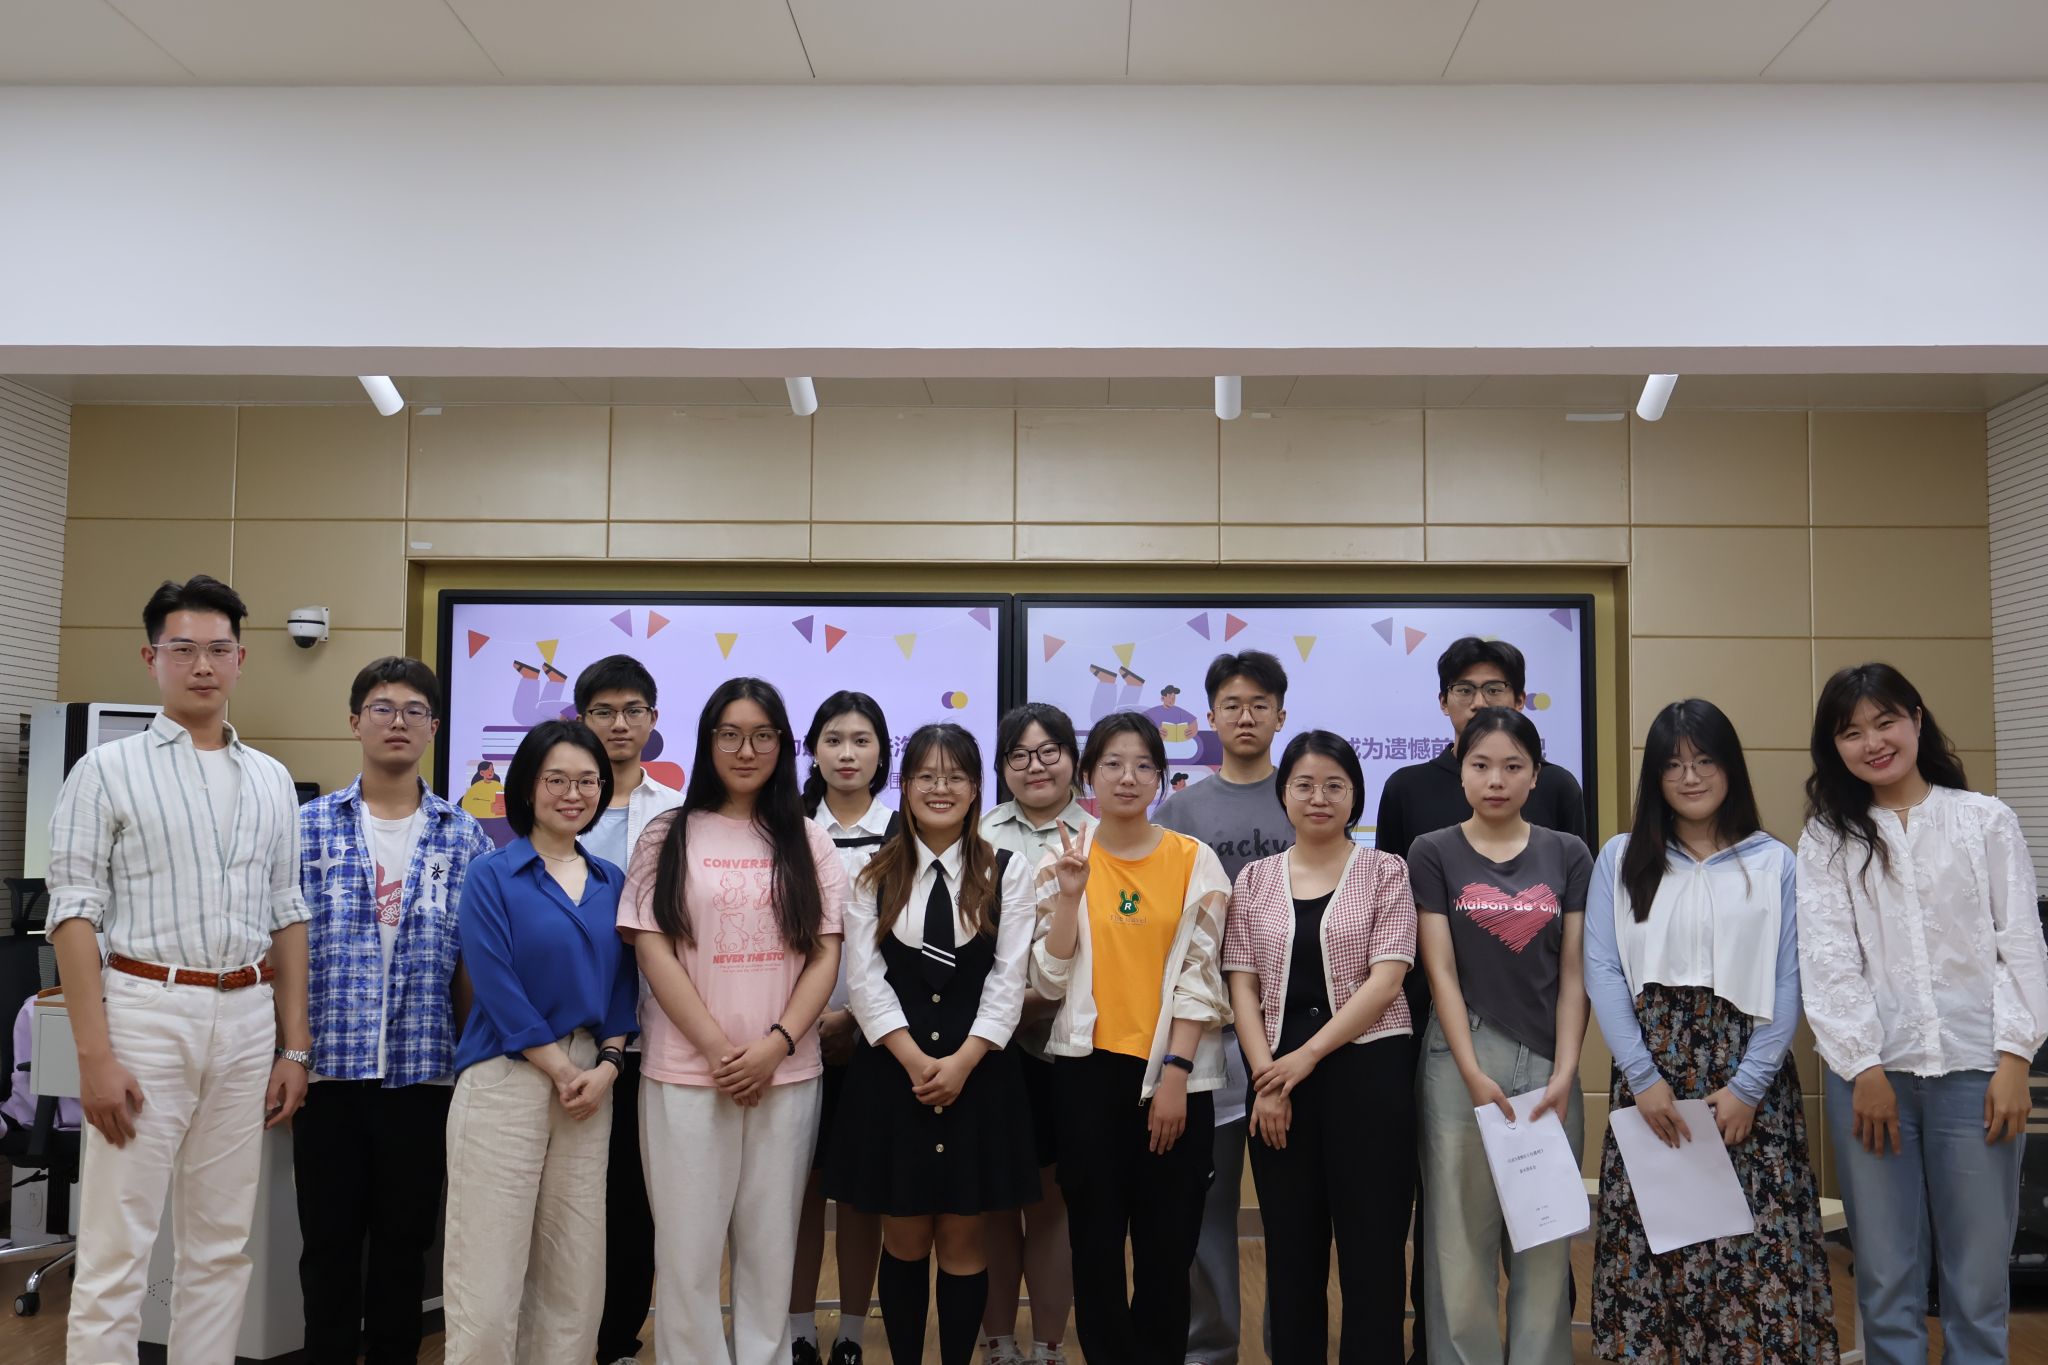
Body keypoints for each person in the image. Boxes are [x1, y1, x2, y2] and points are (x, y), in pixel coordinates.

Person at [47, 574, 313, 1365]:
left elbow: (287, 913)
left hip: (246, 1015)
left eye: (219, 649)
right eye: (184, 648)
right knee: (116, 1249)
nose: (203, 664)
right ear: (151, 657)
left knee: (222, 1245)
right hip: (145, 1009)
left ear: (240, 659)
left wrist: (293, 1045)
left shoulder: (270, 777)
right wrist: (95, 1055)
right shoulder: (106, 769)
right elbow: (72, 911)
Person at [1797, 663, 2048, 1365]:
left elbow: (2022, 946)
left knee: (1978, 1280)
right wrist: (1864, 1068)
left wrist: (2014, 1061)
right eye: (1851, 732)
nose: (1873, 742)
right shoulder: (1828, 838)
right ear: (1834, 747)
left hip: (1978, 1072)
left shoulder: (1984, 819)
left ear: (1915, 718)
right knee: (1885, 1277)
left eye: (1885, 722)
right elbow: (1828, 960)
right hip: (1872, 1081)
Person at [1584, 699, 1838, 1363]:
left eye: (1704, 761)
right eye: (1673, 765)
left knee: (1752, 1250)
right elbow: (1603, 970)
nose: (1690, 777)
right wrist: (1643, 1079)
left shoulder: (1775, 862)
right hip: (1652, 1078)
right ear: (1654, 776)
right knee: (1658, 1243)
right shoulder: (1621, 857)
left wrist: (1749, 1087)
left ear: (1730, 767)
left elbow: (1789, 979)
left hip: (1750, 1078)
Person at [1374, 635, 1590, 1361]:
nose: (1496, 779)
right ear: (1460, 771)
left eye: (1513, 766)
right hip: (1458, 1055)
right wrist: (1468, 1068)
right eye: (1481, 766)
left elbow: (1574, 972)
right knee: (1457, 1243)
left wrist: (1566, 1071)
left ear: (1536, 775)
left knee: (1544, 1237)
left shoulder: (1568, 852)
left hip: (1551, 1062)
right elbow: (1438, 968)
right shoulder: (1432, 849)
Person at [620, 678, 848, 1365]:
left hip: (786, 1073)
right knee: (686, 1251)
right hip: (686, 1072)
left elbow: (825, 953)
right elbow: (651, 947)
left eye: (762, 735)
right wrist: (721, 1049)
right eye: (730, 734)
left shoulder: (808, 839)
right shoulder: (667, 833)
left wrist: (776, 1045)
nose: (746, 750)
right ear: (707, 741)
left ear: (783, 745)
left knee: (771, 1246)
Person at [295, 656, 495, 1365]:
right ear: (355, 722)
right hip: (328, 1072)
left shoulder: (463, 835)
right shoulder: (308, 826)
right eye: (383, 707)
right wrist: (288, 1051)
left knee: (405, 1246)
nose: (398, 721)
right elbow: (281, 947)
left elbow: (472, 962)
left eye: (415, 710)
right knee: (327, 1244)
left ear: (434, 728)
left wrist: (474, 1064)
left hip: (424, 1074)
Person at [827, 723, 1042, 1365]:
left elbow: (1008, 981)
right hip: (894, 1078)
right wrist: (919, 1062)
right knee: (903, 1236)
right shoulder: (871, 876)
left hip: (981, 1078)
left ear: (976, 788)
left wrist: (963, 1063)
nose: (940, 788)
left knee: (964, 1238)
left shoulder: (1008, 871)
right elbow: (865, 984)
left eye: (955, 776)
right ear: (906, 786)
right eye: (926, 776)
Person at [1032, 711, 1232, 1365]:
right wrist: (1070, 896)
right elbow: (1048, 976)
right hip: (1087, 1075)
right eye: (1113, 764)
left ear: (1160, 778)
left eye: (1144, 765)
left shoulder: (1194, 860)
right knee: (1093, 1246)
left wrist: (1175, 1075)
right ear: (1089, 775)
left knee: (1167, 1248)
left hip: (1174, 1075)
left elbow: (1202, 978)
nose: (1128, 777)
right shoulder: (1063, 857)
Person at [440, 720, 634, 1364]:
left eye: (587, 781)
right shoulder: (492, 874)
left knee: (574, 1271)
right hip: (508, 1075)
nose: (573, 794)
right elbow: (495, 984)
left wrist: (608, 1065)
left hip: (590, 1083)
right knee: (487, 1274)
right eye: (556, 780)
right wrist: (560, 1069)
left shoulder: (611, 880)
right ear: (527, 787)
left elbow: (623, 985)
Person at [1222, 730, 1417, 1364]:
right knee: (1291, 1252)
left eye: (1335, 785)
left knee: (1373, 1250)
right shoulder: (1255, 880)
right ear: (1284, 794)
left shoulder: (1387, 870)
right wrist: (1267, 1080)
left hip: (1370, 1077)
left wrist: (1304, 1059)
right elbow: (1242, 984)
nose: (1319, 797)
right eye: (1304, 785)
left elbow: (1387, 980)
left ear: (1355, 795)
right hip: (1277, 1086)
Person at [1154, 648, 1294, 1365]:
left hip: (1293, 1035)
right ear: (1210, 716)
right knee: (1203, 1206)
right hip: (1205, 1032)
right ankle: (1209, 1349)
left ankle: (1290, 1344)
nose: (1246, 716)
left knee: (1292, 1207)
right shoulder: (1180, 809)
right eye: (1232, 705)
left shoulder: (1304, 794)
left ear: (1281, 715)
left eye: (1259, 704)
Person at [572, 654, 683, 1365]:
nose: (619, 723)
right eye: (604, 711)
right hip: (567, 1034)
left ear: (652, 719)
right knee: (570, 1197)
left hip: (651, 1033)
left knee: (634, 1200)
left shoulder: (678, 811)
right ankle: (564, 1338)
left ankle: (617, 1340)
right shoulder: (555, 803)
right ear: (582, 719)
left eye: (632, 710)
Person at [978, 703, 1092, 1365]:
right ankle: (997, 1341)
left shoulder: (1103, 834)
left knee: (1052, 1202)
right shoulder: (976, 831)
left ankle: (1049, 1346)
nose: (1035, 765)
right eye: (1019, 755)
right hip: (985, 1049)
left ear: (1073, 758)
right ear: (1002, 767)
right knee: (994, 1200)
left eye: (1050, 751)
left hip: (1066, 1048)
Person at [795, 691, 895, 1365]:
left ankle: (854, 1332)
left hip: (880, 1042)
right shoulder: (786, 829)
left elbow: (906, 946)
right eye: (834, 740)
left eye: (862, 740)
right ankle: (798, 1329)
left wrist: (855, 1019)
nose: (848, 753)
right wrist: (804, 1021)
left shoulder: (905, 831)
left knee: (862, 1194)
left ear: (882, 752)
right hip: (791, 1038)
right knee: (796, 1192)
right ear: (813, 751)